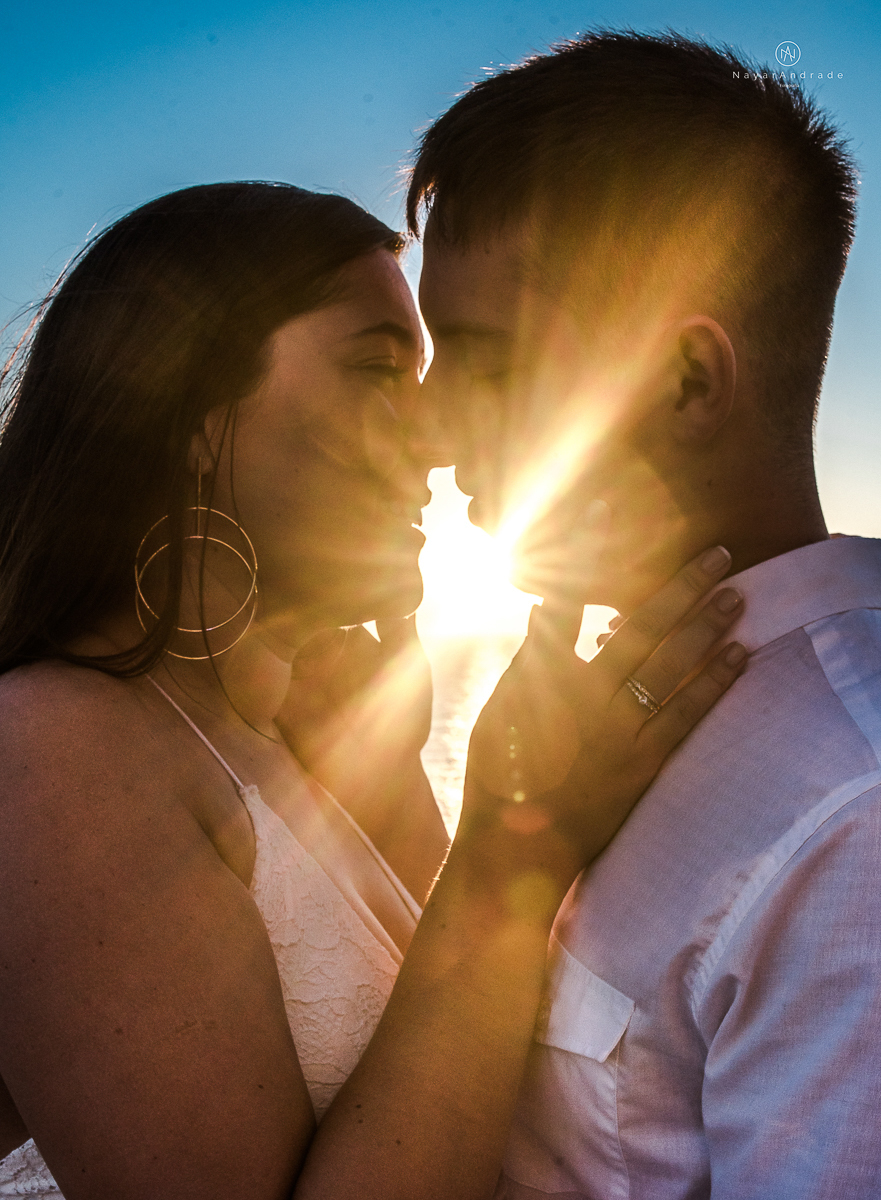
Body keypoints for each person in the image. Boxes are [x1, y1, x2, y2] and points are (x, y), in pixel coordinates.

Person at [0, 180, 746, 1199]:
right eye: (374, 369)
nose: (434, 439)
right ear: (183, 410)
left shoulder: (277, 734)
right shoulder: (46, 750)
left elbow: (442, 1079)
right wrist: (502, 857)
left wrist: (410, 786)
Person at [409, 29, 881, 1199]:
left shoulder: (849, 823)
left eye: (482, 362)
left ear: (685, 381)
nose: (425, 426)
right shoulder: (587, 705)